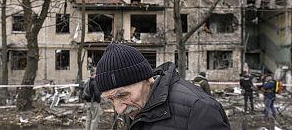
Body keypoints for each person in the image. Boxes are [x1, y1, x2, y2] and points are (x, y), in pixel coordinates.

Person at [95, 43, 231, 130]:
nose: (119, 109)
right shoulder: (135, 107)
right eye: (111, 99)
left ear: (148, 80)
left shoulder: (198, 108)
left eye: (123, 95)